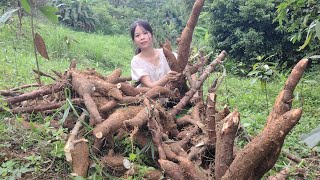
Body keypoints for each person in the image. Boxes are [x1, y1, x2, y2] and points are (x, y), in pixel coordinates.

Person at [130, 20, 180, 88]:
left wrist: (195, 92)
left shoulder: (165, 53)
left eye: (145, 33)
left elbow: (186, 67)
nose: (142, 38)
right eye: (137, 35)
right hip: (150, 97)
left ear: (152, 34)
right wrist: (166, 78)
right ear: (134, 41)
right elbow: (150, 85)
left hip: (175, 95)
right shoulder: (136, 61)